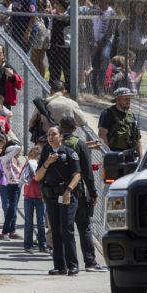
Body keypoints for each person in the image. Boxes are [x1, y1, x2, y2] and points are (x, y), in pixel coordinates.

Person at [60, 116, 108, 272]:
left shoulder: (56, 144)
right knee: (84, 227)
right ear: (75, 128)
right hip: (77, 192)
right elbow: (87, 172)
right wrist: (93, 192)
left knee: (63, 227)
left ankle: (65, 263)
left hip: (59, 192)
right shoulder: (79, 144)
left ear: (61, 128)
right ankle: (90, 262)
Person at [35, 126, 81, 276]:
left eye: (53, 134)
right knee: (55, 231)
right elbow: (38, 177)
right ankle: (60, 266)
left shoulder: (69, 153)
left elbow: (77, 176)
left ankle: (73, 265)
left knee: (66, 230)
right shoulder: (46, 153)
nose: (50, 137)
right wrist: (47, 162)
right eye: (48, 134)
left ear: (61, 136)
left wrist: (68, 190)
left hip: (67, 195)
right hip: (51, 196)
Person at [114, 0, 147, 93]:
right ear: (134, 8)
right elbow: (121, 32)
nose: (139, 9)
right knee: (129, 70)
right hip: (130, 49)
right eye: (138, 7)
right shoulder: (128, 20)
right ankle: (127, 89)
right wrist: (123, 44)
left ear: (144, 9)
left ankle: (136, 90)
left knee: (139, 70)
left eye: (142, 8)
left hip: (142, 50)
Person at [98, 87, 142, 157]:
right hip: (115, 154)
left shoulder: (130, 115)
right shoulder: (108, 113)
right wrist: (109, 155)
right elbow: (102, 135)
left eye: (129, 98)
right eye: (126, 98)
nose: (128, 101)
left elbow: (137, 138)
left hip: (130, 156)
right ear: (117, 99)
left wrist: (141, 158)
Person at [20, 145, 48, 253]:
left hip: (40, 197)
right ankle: (28, 245)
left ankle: (43, 245)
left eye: (36, 156)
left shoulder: (42, 167)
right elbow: (22, 177)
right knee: (28, 222)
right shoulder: (27, 165)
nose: (33, 158)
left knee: (41, 222)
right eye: (31, 155)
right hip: (28, 196)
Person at [91, 0, 116, 95]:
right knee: (95, 64)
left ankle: (101, 86)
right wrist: (93, 41)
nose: (101, 2)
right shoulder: (94, 10)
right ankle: (95, 88)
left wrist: (101, 43)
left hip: (106, 41)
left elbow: (111, 30)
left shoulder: (111, 12)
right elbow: (90, 25)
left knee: (104, 57)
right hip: (94, 41)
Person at [47, 0, 70, 90]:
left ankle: (68, 89)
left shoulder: (68, 16)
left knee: (67, 70)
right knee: (54, 68)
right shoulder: (54, 15)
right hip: (54, 45)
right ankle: (53, 87)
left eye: (57, 4)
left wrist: (56, 14)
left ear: (62, 6)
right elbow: (50, 28)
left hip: (65, 46)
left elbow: (63, 18)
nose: (55, 5)